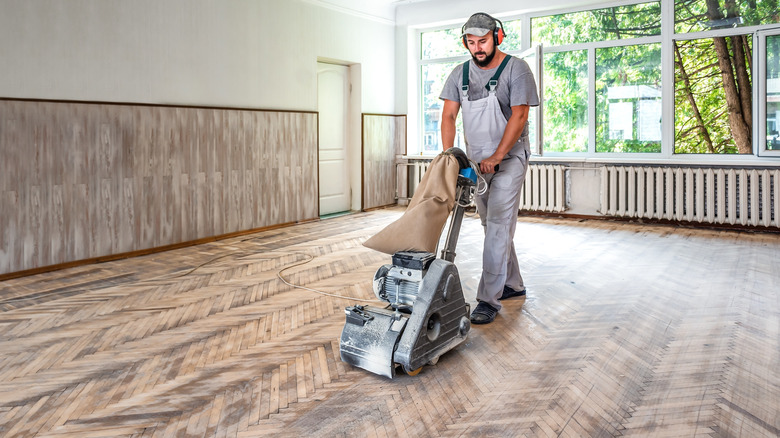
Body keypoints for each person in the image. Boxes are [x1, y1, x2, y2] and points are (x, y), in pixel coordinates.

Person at [439, 12, 539, 325]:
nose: (477, 48)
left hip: (509, 159)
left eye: (482, 41)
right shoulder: (460, 74)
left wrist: (497, 155)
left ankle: (488, 299)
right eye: (471, 42)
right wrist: (450, 157)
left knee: (497, 223)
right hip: (476, 163)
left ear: (498, 37)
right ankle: (512, 285)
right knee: (490, 224)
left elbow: (519, 117)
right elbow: (448, 118)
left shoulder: (517, 69)